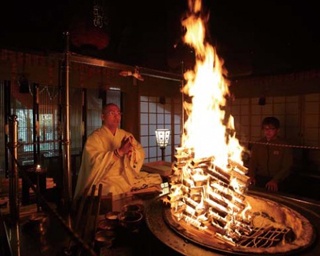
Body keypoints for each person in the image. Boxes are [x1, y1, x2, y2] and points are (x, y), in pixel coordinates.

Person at [73, 103, 162, 201]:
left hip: (125, 175)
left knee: (155, 179)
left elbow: (140, 151)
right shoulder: (94, 138)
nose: (116, 116)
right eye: (112, 113)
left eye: (118, 113)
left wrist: (132, 154)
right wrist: (119, 152)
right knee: (113, 190)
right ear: (102, 117)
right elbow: (94, 162)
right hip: (105, 179)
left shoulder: (125, 135)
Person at [248, 116, 293, 192]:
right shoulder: (258, 144)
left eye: (271, 129)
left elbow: (287, 165)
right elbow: (253, 162)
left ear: (277, 130)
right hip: (260, 177)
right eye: (266, 129)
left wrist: (275, 180)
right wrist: (251, 176)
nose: (268, 131)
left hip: (278, 179)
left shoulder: (284, 145)